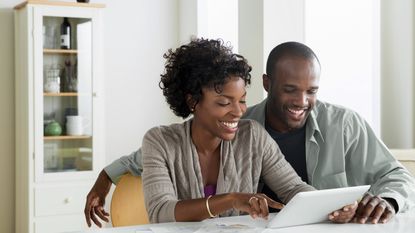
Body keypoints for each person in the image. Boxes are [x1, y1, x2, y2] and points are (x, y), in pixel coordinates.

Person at [84, 41, 415, 226]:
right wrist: (103, 178)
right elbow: (156, 189)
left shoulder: (253, 132)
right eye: (224, 102)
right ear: (193, 100)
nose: (239, 111)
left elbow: (296, 188)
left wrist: (332, 207)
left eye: (241, 101)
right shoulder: (165, 139)